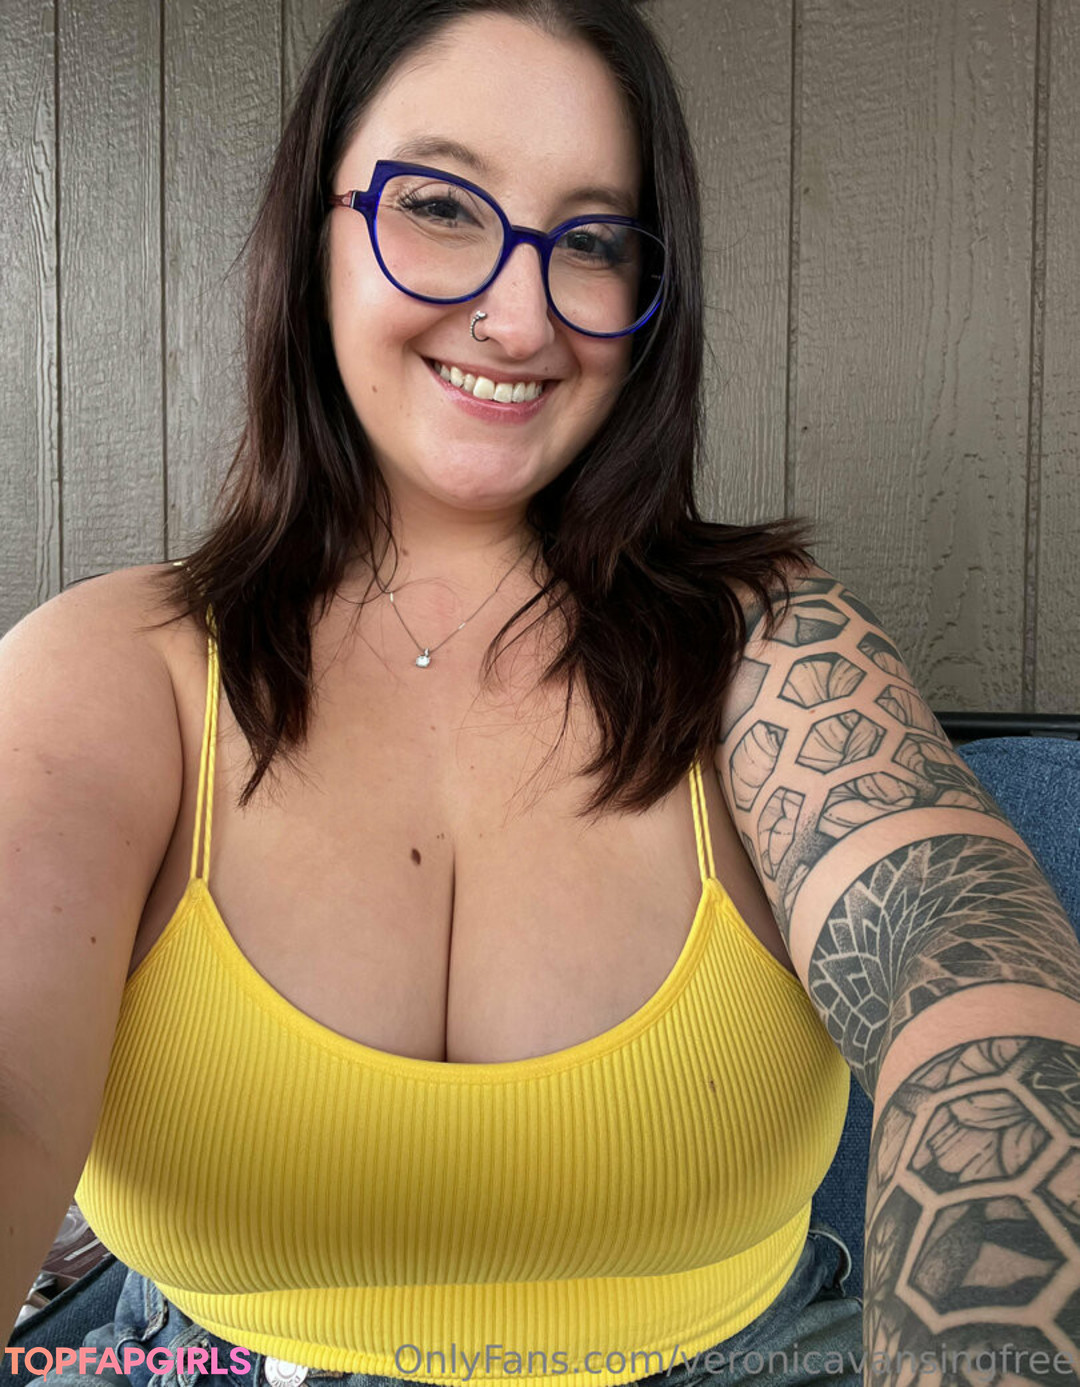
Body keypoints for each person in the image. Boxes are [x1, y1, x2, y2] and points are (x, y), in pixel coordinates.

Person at [8, 2, 1078, 1386]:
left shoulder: (766, 643)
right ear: (311, 230)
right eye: (440, 207)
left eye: (594, 241)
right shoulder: (112, 667)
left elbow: (966, 956)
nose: (520, 317)